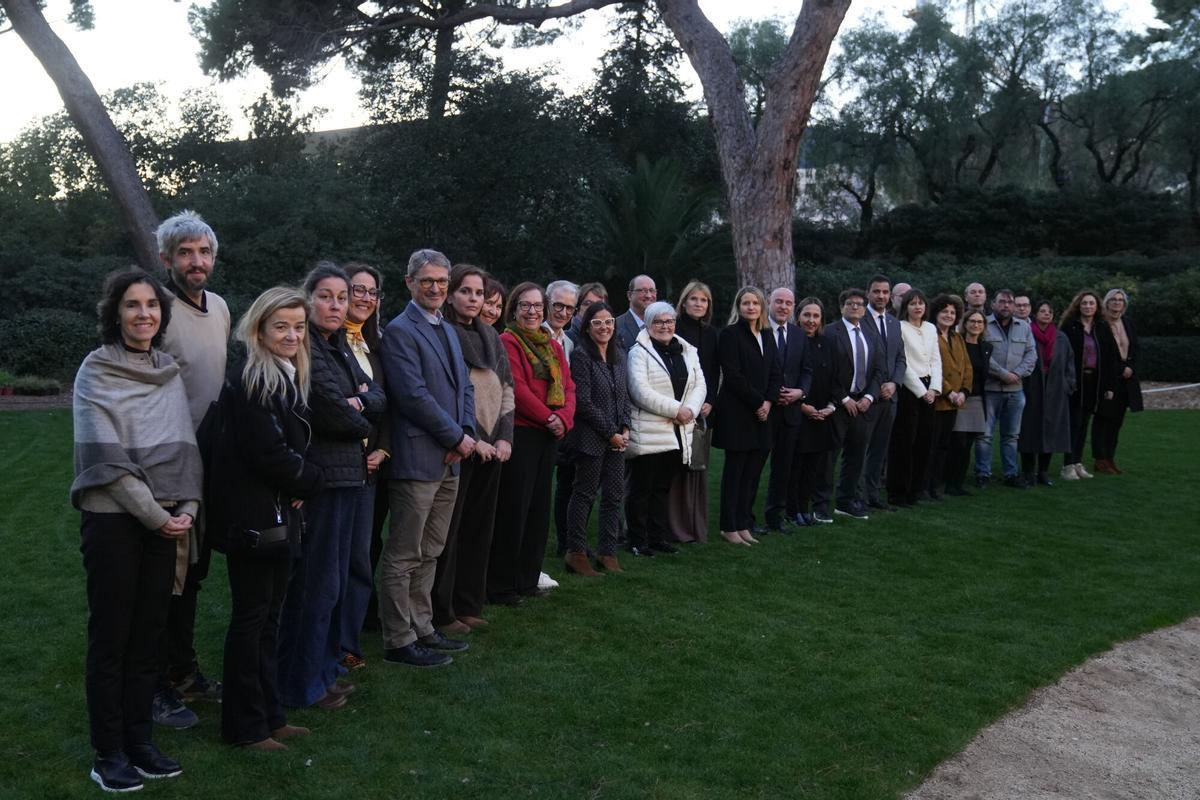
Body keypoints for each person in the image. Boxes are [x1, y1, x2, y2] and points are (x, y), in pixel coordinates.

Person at [72, 267, 199, 792]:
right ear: (115, 313)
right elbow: (105, 458)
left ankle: (140, 741)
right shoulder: (95, 370)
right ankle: (109, 753)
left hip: (167, 519)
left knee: (149, 637)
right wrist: (158, 514)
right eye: (132, 304)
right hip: (115, 522)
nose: (144, 313)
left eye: (151, 305)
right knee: (113, 640)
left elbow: (184, 445)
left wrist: (188, 503)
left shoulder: (167, 370)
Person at [206, 287, 324, 752]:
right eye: (282, 326)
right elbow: (270, 454)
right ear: (258, 330)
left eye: (299, 326)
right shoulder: (253, 380)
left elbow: (289, 449)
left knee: (268, 621)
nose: (292, 334)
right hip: (255, 524)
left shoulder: (286, 375)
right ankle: (245, 727)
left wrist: (298, 481)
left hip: (276, 518)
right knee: (251, 622)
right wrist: (310, 481)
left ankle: (270, 717)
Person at [277, 262, 384, 709]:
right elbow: (329, 411)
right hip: (323, 479)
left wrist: (358, 402)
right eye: (326, 296)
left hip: (349, 477)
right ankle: (303, 683)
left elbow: (378, 397)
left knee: (334, 583)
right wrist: (359, 408)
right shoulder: (308, 349)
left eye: (342, 297)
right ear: (309, 297)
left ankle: (324, 670)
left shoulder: (339, 346)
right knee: (314, 587)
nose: (336, 305)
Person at [378, 249, 477, 668]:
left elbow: (464, 388)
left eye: (441, 281)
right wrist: (456, 435)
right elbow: (412, 395)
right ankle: (399, 639)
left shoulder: (448, 329)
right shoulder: (401, 331)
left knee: (432, 548)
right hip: (419, 457)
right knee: (404, 552)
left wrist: (467, 432)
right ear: (410, 283)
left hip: (450, 458)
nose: (436, 288)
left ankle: (423, 627)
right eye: (427, 281)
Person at [154, 210, 230, 727]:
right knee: (165, 577)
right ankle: (153, 684)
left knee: (196, 573)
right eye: (185, 252)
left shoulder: (221, 307)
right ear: (166, 259)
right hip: (168, 463)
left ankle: (182, 671)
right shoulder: (154, 309)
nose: (195, 261)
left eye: (203, 252)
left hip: (214, 461)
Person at [431, 264, 514, 632]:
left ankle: (469, 602)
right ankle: (442, 610)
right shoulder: (444, 333)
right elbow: (451, 393)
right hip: (462, 446)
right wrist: (475, 437)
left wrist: (504, 437)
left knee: (480, 529)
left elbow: (507, 390)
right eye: (466, 291)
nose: (474, 299)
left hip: (493, 449)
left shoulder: (492, 337)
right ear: (451, 294)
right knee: (449, 531)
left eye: (479, 294)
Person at [489, 283, 576, 604]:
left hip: (548, 437)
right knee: (514, 509)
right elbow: (517, 388)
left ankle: (527, 579)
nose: (532, 311)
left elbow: (569, 386)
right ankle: (501, 585)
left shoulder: (552, 346)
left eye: (538, 306)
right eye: (525, 305)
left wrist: (564, 418)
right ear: (514, 309)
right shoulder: (507, 341)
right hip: (522, 434)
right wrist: (548, 418)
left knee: (539, 511)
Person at [338, 263, 389, 669]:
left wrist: (383, 449)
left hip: (370, 466)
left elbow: (386, 403)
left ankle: (348, 641)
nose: (366, 298)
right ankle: (326, 642)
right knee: (331, 560)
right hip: (337, 465)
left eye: (373, 292)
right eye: (358, 289)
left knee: (360, 557)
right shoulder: (327, 342)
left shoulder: (374, 344)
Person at [626, 301, 706, 555]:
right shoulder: (638, 352)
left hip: (678, 431)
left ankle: (657, 537)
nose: (664, 326)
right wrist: (676, 410)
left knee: (662, 488)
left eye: (669, 321)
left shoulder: (686, 350)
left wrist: (690, 410)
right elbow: (640, 391)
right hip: (650, 431)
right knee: (642, 488)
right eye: (658, 321)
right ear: (648, 325)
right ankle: (638, 540)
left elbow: (699, 384)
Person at [563, 301, 630, 574]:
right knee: (584, 494)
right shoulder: (581, 356)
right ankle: (576, 552)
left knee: (614, 497)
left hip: (617, 439)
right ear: (588, 328)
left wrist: (624, 427)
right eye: (597, 322)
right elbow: (584, 402)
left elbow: (625, 395)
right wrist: (611, 433)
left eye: (609, 322)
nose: (604, 327)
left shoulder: (619, 355)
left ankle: (607, 552)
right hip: (591, 437)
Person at [713, 287, 781, 544]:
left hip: (763, 414)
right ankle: (728, 526)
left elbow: (776, 371)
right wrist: (758, 402)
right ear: (738, 306)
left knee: (752, 473)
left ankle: (743, 524)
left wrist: (769, 402)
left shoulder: (766, 333)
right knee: (735, 472)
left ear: (762, 307)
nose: (751, 307)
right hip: (738, 413)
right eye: (746, 303)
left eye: (755, 303)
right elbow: (733, 375)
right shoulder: (730, 334)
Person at [815, 288, 885, 523]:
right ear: (842, 307)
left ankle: (846, 502)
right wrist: (844, 399)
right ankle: (820, 504)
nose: (855, 307)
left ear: (865, 308)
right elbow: (826, 371)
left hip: (864, 405)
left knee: (856, 456)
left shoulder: (871, 333)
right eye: (850, 303)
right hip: (839, 405)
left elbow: (879, 371)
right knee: (829, 458)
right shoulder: (830, 332)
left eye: (859, 304)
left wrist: (869, 398)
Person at [670, 280, 719, 543]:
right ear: (684, 301)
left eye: (704, 300)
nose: (699, 304)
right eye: (694, 299)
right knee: (675, 468)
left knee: (698, 467)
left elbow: (712, 372)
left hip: (703, 412)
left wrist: (710, 401)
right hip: (676, 410)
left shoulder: (712, 334)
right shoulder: (673, 329)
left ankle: (694, 526)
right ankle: (674, 526)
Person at [762, 287, 811, 532]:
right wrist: (770, 396)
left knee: (783, 468)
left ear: (793, 307)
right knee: (754, 466)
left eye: (788, 303)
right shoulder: (759, 330)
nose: (783, 306)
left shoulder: (799, 335)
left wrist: (799, 393)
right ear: (769, 303)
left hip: (791, 412)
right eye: (779, 301)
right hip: (764, 411)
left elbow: (806, 371)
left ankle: (775, 517)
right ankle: (745, 518)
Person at [887, 289, 941, 506]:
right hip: (909, 388)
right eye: (912, 303)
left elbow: (936, 359)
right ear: (905, 307)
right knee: (904, 443)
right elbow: (904, 362)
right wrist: (921, 391)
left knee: (924, 442)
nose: (917, 307)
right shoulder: (899, 327)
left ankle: (916, 490)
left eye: (921, 303)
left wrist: (935, 388)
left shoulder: (930, 328)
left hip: (930, 388)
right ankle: (898, 491)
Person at [978, 289, 1037, 489]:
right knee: (984, 435)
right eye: (1001, 302)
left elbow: (1031, 355)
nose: (1006, 306)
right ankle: (983, 474)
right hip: (990, 389)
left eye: (1009, 302)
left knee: (1011, 436)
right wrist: (1004, 374)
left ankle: (1010, 474)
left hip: (1015, 390)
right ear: (993, 304)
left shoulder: (1024, 327)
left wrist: (1017, 374)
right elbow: (983, 355)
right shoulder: (984, 324)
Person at [790, 298, 839, 526]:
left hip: (822, 415)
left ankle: (805, 508)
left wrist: (830, 406)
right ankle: (792, 510)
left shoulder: (827, 344)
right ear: (798, 316)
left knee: (813, 468)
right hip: (798, 413)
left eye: (816, 316)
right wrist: (803, 407)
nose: (811, 321)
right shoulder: (792, 341)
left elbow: (836, 379)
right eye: (806, 315)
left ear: (821, 320)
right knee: (796, 466)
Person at [1019, 300, 1076, 487]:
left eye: (1050, 311)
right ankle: (1028, 471)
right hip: (1032, 388)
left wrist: (1068, 385)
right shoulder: (1027, 334)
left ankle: (1043, 472)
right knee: (1029, 430)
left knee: (1050, 431)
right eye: (1042, 310)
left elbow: (1069, 363)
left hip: (1056, 390)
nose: (1046, 314)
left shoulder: (1061, 338)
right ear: (1035, 314)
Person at [862, 275, 907, 513]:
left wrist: (894, 384)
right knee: (860, 448)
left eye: (885, 292)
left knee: (880, 449)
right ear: (868, 293)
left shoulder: (893, 322)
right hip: (867, 396)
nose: (881, 296)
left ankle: (873, 495)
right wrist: (873, 388)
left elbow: (901, 359)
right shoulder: (860, 319)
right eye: (876, 291)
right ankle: (853, 495)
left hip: (890, 397)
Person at [1059, 290, 1110, 480]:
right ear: (1078, 306)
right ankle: (1067, 465)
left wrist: (1108, 386)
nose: (1088, 306)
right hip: (1075, 381)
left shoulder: (1102, 327)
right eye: (1084, 303)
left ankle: (1078, 462)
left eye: (1091, 303)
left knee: (1084, 424)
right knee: (1074, 423)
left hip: (1093, 383)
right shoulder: (1070, 327)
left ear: (1097, 307)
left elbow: (1109, 356)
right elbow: (1062, 355)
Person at [546, 279, 579, 561]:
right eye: (558, 305)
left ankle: (566, 542)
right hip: (540, 422)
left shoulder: (568, 341)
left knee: (567, 483)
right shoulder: (535, 335)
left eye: (570, 308)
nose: (563, 312)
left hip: (566, 424)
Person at [1093, 288, 1142, 474]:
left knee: (1117, 421)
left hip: (1126, 380)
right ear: (1106, 303)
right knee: (1103, 419)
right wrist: (1121, 369)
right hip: (1107, 379)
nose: (1117, 303)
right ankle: (1100, 458)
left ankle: (1110, 457)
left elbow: (1136, 349)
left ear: (1124, 304)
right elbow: (1102, 354)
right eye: (1113, 300)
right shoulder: (1101, 325)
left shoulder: (1128, 323)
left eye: (1120, 300)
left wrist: (1131, 367)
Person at [945, 309, 992, 495]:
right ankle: (948, 482)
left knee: (969, 444)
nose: (976, 325)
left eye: (980, 322)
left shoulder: (986, 347)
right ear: (965, 324)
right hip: (958, 397)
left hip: (977, 400)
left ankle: (959, 483)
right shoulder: (957, 343)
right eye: (972, 321)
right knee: (957, 442)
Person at [928, 294, 970, 499]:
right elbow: (931, 367)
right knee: (931, 446)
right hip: (938, 399)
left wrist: (964, 392)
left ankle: (937, 486)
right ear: (936, 312)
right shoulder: (930, 335)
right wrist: (949, 392)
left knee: (945, 446)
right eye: (944, 311)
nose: (949, 315)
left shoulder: (957, 337)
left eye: (952, 312)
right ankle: (926, 486)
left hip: (955, 402)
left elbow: (967, 367)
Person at [616, 274, 657, 352]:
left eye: (652, 290)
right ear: (630, 295)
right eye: (643, 291)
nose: (648, 295)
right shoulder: (617, 326)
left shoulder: (663, 326)